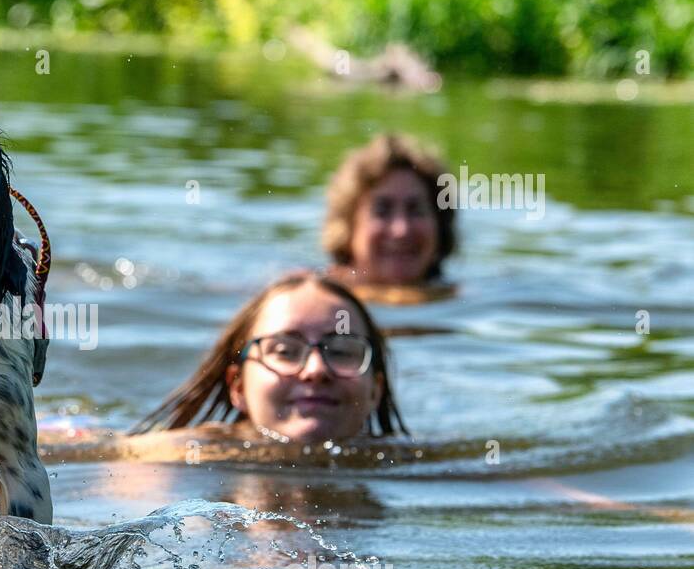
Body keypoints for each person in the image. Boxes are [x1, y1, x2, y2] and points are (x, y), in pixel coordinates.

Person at [40, 271, 406, 464]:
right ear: (238, 387)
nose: (315, 369)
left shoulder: (407, 463)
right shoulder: (184, 455)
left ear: (374, 388)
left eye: (341, 351)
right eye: (284, 349)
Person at [323, 133, 457, 302]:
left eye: (416, 210)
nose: (401, 230)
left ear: (440, 227)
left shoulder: (466, 298)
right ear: (348, 227)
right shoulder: (316, 300)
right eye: (382, 211)